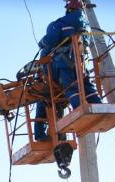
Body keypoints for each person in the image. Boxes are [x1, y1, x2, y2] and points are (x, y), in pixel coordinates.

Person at [33, 0, 102, 141]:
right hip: (80, 61)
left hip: (65, 62)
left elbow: (51, 39)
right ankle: (98, 105)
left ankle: (79, 109)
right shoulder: (85, 24)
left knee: (71, 87)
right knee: (86, 85)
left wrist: (42, 42)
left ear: (69, 8)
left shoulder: (62, 23)